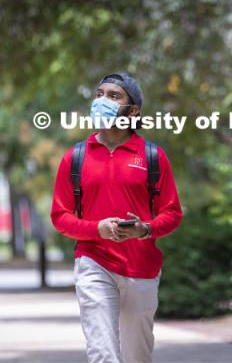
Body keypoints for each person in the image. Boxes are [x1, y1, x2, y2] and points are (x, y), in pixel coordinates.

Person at [51, 72, 183, 363]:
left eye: (113, 96)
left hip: (141, 268)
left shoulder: (152, 156)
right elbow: (60, 216)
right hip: (93, 261)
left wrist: (144, 229)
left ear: (132, 110)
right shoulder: (75, 157)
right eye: (99, 94)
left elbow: (172, 213)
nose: (102, 100)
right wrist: (97, 229)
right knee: (103, 353)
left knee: (138, 355)